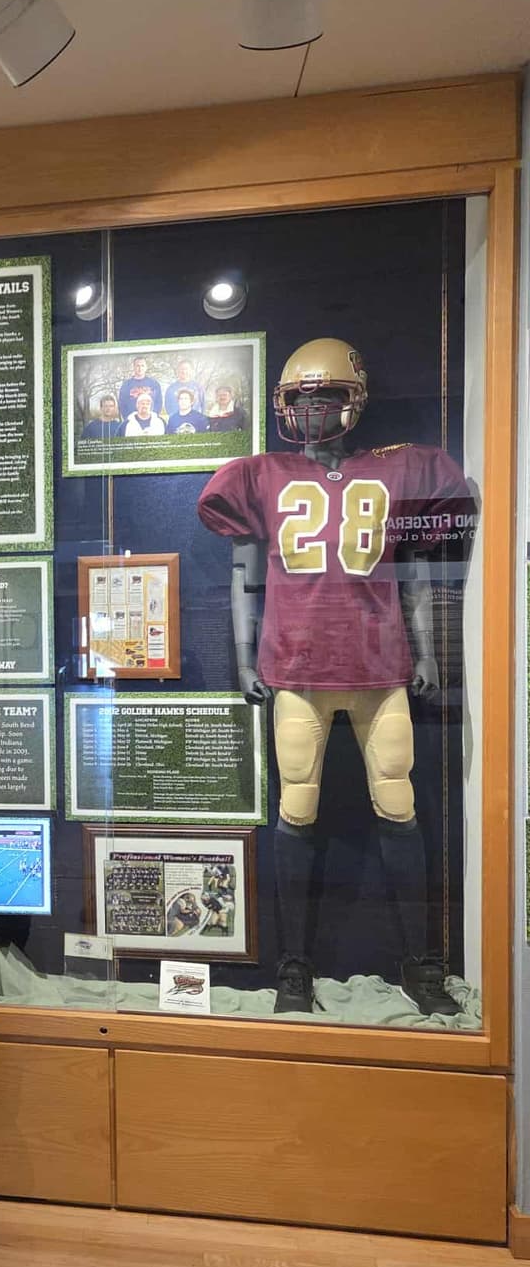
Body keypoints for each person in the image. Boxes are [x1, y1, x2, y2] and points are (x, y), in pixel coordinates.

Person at [198, 338, 474, 1016]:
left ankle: (422, 965)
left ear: (355, 399)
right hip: (296, 665)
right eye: (302, 398)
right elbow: (244, 575)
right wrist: (241, 658)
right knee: (297, 809)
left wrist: (429, 648)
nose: (314, 409)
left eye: (327, 396)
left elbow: (411, 569)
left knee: (398, 803)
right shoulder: (261, 473)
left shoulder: (400, 469)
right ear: (284, 405)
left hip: (379, 667)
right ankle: (293, 967)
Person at [117, 355, 163, 420]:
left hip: (150, 420)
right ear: (134, 367)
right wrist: (129, 419)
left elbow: (158, 403)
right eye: (137, 366)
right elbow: (122, 405)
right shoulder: (126, 385)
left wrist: (153, 417)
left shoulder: (154, 384)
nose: (140, 368)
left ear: (146, 367)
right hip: (132, 421)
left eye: (142, 365)